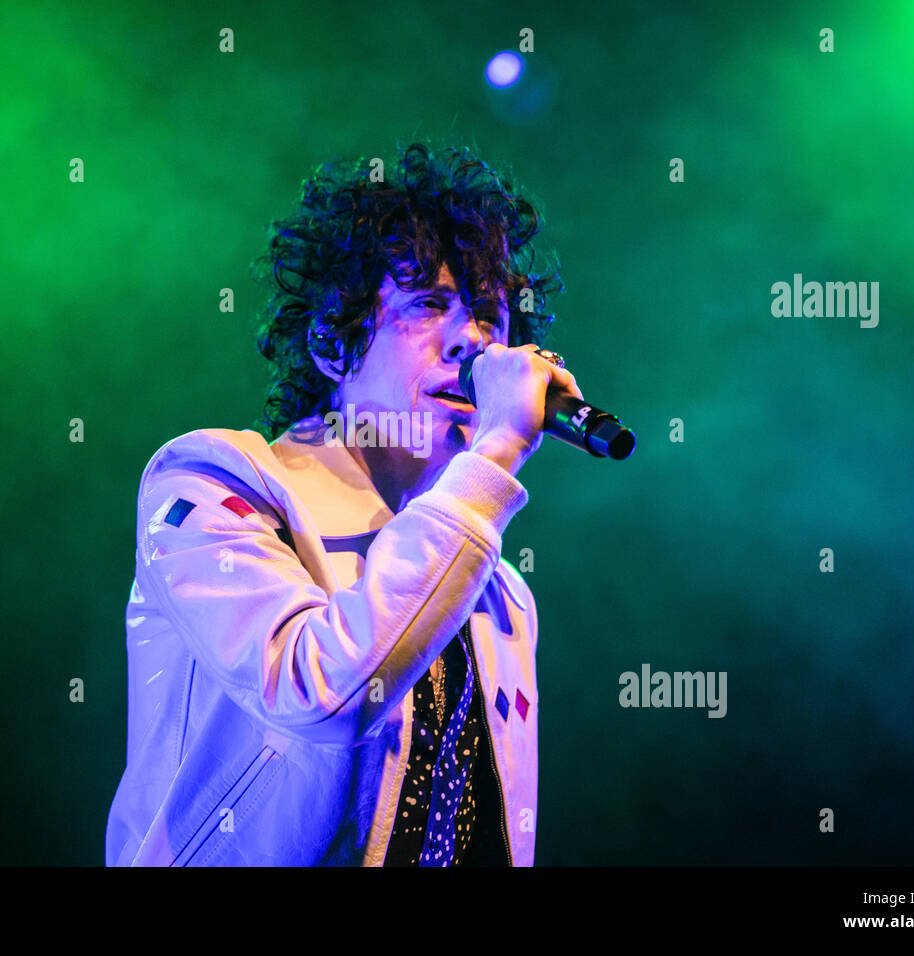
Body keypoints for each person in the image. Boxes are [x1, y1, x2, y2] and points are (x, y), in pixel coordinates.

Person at [105, 141, 581, 866]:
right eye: (429, 304)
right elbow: (320, 693)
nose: (473, 343)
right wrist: (493, 459)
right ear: (333, 340)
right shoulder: (215, 483)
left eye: (489, 313)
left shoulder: (499, 591)